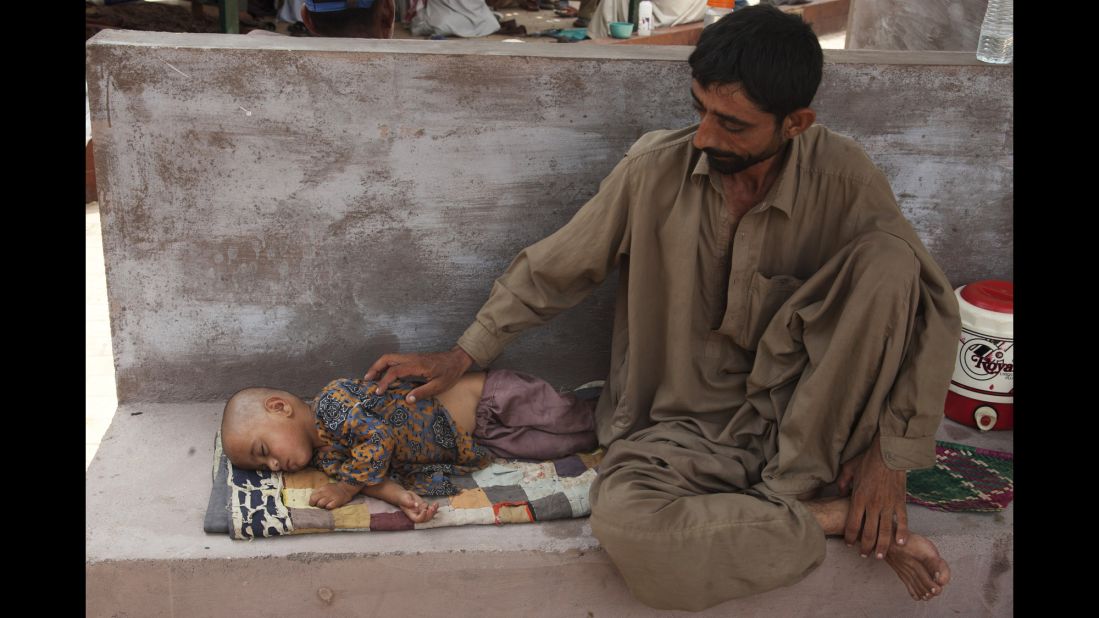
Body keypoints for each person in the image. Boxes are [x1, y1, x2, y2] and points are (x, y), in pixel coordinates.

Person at [360, 5, 962, 609]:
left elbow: (927, 310)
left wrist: (891, 459)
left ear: (796, 123)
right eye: (700, 109)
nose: (704, 135)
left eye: (732, 124)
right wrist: (462, 353)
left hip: (813, 431)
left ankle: (801, 492)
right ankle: (823, 516)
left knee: (891, 261)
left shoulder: (846, 179)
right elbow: (557, 267)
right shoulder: (655, 169)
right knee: (627, 525)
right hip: (679, 432)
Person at [221, 370, 598, 523]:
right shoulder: (329, 458)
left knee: (574, 417)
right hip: (480, 441)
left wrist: (346, 487)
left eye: (262, 450)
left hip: (491, 398)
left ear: (280, 408)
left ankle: (633, 407)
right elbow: (372, 479)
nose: (273, 465)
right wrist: (403, 499)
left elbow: (378, 439)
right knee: (575, 442)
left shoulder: (334, 403)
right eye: (262, 467)